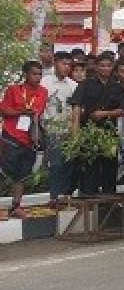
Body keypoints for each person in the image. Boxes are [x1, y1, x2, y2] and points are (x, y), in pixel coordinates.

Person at [70, 52, 124, 195]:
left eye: (108, 66)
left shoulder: (117, 87)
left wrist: (104, 114)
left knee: (110, 168)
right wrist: (75, 131)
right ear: (96, 67)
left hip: (109, 133)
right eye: (102, 66)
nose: (105, 69)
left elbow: (122, 110)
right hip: (88, 132)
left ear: (112, 67)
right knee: (89, 168)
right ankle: (88, 200)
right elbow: (76, 106)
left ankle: (108, 204)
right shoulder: (85, 84)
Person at [0, 61, 49, 217]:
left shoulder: (43, 91)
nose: (38, 77)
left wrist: (29, 113)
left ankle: (16, 206)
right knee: (4, 172)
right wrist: (21, 111)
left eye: (40, 74)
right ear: (26, 74)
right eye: (34, 74)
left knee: (22, 174)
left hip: (29, 138)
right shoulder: (13, 90)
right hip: (11, 136)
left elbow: (38, 111)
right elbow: (3, 110)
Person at [41, 51, 77, 203]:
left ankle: (66, 195)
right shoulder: (45, 83)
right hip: (51, 130)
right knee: (55, 164)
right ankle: (54, 197)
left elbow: (76, 110)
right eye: (63, 63)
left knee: (69, 164)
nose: (66, 67)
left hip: (69, 130)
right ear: (55, 63)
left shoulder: (73, 85)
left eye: (69, 64)